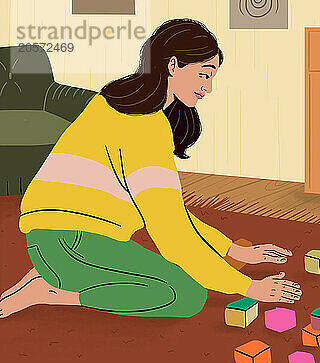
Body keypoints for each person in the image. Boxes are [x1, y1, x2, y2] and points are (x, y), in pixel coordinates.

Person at [0, 18, 302, 319]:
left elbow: (173, 213)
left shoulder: (117, 104)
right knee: (186, 294)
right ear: (172, 65)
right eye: (204, 74)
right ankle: (55, 292)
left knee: (171, 276)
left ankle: (56, 275)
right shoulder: (145, 125)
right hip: (70, 243)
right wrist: (248, 287)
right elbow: (172, 234)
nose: (208, 88)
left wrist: (234, 251)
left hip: (55, 239)